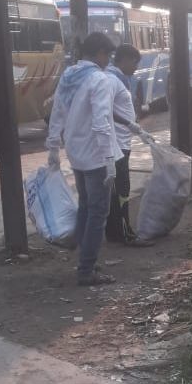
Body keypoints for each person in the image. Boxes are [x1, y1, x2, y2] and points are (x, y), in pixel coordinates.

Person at [46, 32, 122, 286]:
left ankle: (85, 258)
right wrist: (109, 158)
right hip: (96, 157)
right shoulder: (99, 79)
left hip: (76, 153)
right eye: (107, 55)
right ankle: (86, 269)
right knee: (98, 212)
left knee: (87, 207)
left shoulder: (70, 75)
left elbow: (57, 111)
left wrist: (54, 147)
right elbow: (101, 121)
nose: (108, 61)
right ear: (100, 53)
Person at [104, 43, 152, 246]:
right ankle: (125, 234)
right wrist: (131, 124)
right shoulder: (111, 79)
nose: (135, 67)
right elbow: (105, 109)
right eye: (134, 62)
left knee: (116, 190)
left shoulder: (118, 78)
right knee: (122, 189)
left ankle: (114, 232)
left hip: (121, 141)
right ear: (123, 59)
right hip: (117, 145)